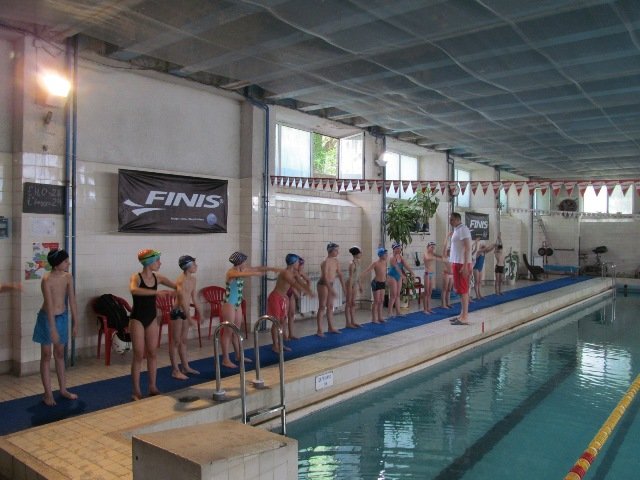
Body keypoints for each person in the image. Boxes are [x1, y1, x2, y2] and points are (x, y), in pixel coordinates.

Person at [32, 249, 78, 406]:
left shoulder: (68, 277)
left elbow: (72, 300)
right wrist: (52, 328)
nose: (68, 263)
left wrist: (76, 322)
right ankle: (48, 394)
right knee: (46, 355)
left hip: (62, 317)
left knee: (59, 353)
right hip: (46, 318)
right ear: (57, 264)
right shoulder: (47, 280)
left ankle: (63, 390)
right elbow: (50, 305)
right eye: (65, 261)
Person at [129, 249, 176, 400]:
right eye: (157, 260)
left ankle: (152, 386)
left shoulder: (158, 278)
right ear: (149, 262)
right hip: (137, 319)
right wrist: (156, 293)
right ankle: (136, 390)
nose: (160, 263)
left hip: (151, 319)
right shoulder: (136, 277)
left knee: (152, 353)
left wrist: (183, 287)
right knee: (138, 355)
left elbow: (176, 286)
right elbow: (134, 290)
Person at [221, 251, 277, 368]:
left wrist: (270, 268)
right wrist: (255, 273)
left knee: (236, 332)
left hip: (237, 304)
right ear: (239, 262)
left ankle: (238, 355)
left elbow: (256, 268)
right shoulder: (231, 272)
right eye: (244, 262)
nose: (246, 264)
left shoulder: (242, 270)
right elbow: (245, 273)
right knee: (227, 333)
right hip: (229, 304)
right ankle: (225, 359)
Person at [268, 254, 314, 353]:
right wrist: (307, 291)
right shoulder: (286, 273)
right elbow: (294, 284)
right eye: (297, 262)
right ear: (293, 263)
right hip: (275, 298)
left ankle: (281, 344)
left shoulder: (294, 273)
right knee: (276, 322)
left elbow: (301, 282)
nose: (298, 264)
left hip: (282, 298)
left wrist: (307, 289)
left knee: (282, 321)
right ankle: (275, 345)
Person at [169, 255, 201, 380]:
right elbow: (182, 301)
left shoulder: (193, 280)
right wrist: (189, 317)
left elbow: (194, 298)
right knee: (175, 342)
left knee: (183, 341)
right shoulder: (181, 280)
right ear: (187, 267)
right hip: (178, 312)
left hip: (186, 312)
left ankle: (185, 367)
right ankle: (175, 370)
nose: (196, 266)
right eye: (194, 264)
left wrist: (200, 313)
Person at [316, 242, 346, 337]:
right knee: (322, 307)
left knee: (330, 306)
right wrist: (331, 290)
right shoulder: (326, 261)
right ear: (331, 251)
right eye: (336, 250)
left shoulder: (336, 261)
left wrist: (344, 288)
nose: (338, 252)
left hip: (330, 284)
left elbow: (340, 275)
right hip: (323, 284)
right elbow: (325, 277)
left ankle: (331, 327)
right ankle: (319, 330)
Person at [449, 213, 473, 325]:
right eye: (450, 219)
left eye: (452, 219)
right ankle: (462, 314)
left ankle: (465, 317)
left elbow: (468, 247)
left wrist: (465, 265)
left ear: (458, 220)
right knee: (460, 290)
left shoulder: (463, 229)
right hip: (457, 262)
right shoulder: (457, 230)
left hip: (462, 264)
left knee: (463, 290)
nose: (450, 221)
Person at [360, 247, 388, 324]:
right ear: (380, 255)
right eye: (385, 254)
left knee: (381, 300)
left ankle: (380, 317)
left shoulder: (385, 262)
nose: (386, 255)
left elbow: (384, 272)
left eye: (386, 254)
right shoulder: (375, 263)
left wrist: (386, 280)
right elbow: (367, 270)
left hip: (382, 283)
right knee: (376, 301)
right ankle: (374, 318)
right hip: (376, 283)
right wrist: (361, 276)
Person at [387, 242, 415, 317]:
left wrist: (412, 272)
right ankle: (389, 312)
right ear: (394, 249)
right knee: (393, 295)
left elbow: (406, 265)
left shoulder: (400, 257)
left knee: (398, 295)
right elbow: (397, 268)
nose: (399, 250)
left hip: (399, 276)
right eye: (397, 248)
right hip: (392, 276)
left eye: (400, 248)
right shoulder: (392, 257)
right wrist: (403, 276)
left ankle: (398, 312)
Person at [285, 256, 310, 340]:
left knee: (292, 314)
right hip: (285, 294)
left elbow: (308, 280)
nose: (302, 268)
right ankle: (284, 335)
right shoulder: (289, 272)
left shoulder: (299, 272)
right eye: (301, 266)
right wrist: (297, 293)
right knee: (284, 316)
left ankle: (291, 334)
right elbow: (291, 285)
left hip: (291, 294)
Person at [345, 246, 363, 328]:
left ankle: (353, 321)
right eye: (360, 253)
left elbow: (358, 276)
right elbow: (351, 277)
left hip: (355, 283)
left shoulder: (358, 262)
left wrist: (360, 285)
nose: (361, 254)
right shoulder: (351, 264)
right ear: (356, 254)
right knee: (348, 303)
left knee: (353, 303)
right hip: (350, 283)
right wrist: (349, 288)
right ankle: (347, 323)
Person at [422, 241, 442, 313]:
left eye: (433, 247)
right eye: (431, 247)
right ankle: (425, 309)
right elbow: (427, 258)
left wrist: (441, 256)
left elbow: (441, 257)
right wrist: (435, 256)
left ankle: (429, 308)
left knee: (430, 292)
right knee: (426, 292)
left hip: (432, 274)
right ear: (428, 247)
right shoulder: (426, 253)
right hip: (427, 274)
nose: (433, 248)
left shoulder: (432, 254)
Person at [441, 233, 454, 309]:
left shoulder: (452, 257)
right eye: (449, 251)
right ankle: (443, 304)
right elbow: (444, 246)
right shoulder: (445, 257)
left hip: (452, 275)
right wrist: (447, 237)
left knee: (449, 289)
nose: (450, 252)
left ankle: (448, 303)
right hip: (446, 274)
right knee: (445, 289)